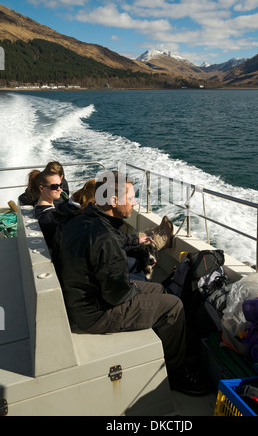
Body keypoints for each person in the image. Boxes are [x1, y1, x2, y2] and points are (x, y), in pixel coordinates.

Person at [57, 170, 208, 396]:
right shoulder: (105, 239)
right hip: (95, 312)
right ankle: (175, 374)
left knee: (158, 288)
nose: (135, 203)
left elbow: (114, 237)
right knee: (173, 306)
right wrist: (137, 289)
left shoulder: (87, 218)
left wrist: (137, 239)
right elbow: (117, 295)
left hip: (83, 298)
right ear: (114, 200)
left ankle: (169, 342)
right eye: (131, 198)